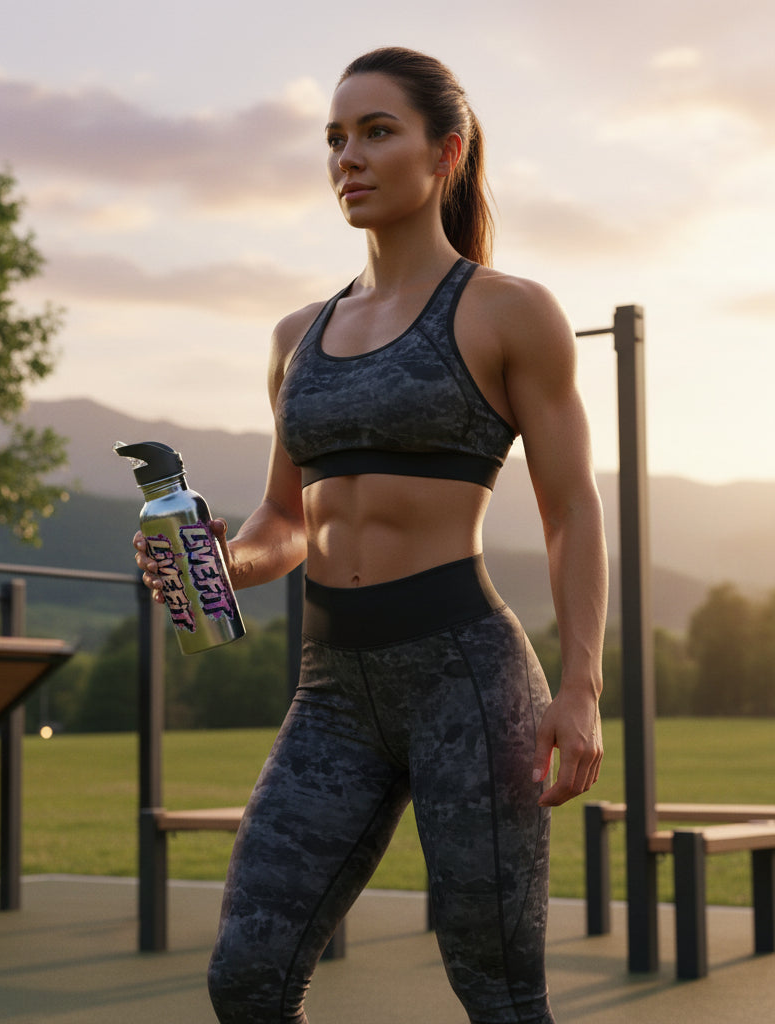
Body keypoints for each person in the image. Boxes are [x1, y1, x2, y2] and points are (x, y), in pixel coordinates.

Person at [134, 45, 606, 1024]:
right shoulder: (295, 337)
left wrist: (580, 689)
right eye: (335, 138)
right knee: (248, 979)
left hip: (465, 682)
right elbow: (282, 520)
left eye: (376, 131)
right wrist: (221, 564)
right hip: (331, 690)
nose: (347, 156)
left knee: (499, 993)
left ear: (446, 151)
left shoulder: (508, 312)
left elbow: (570, 509)